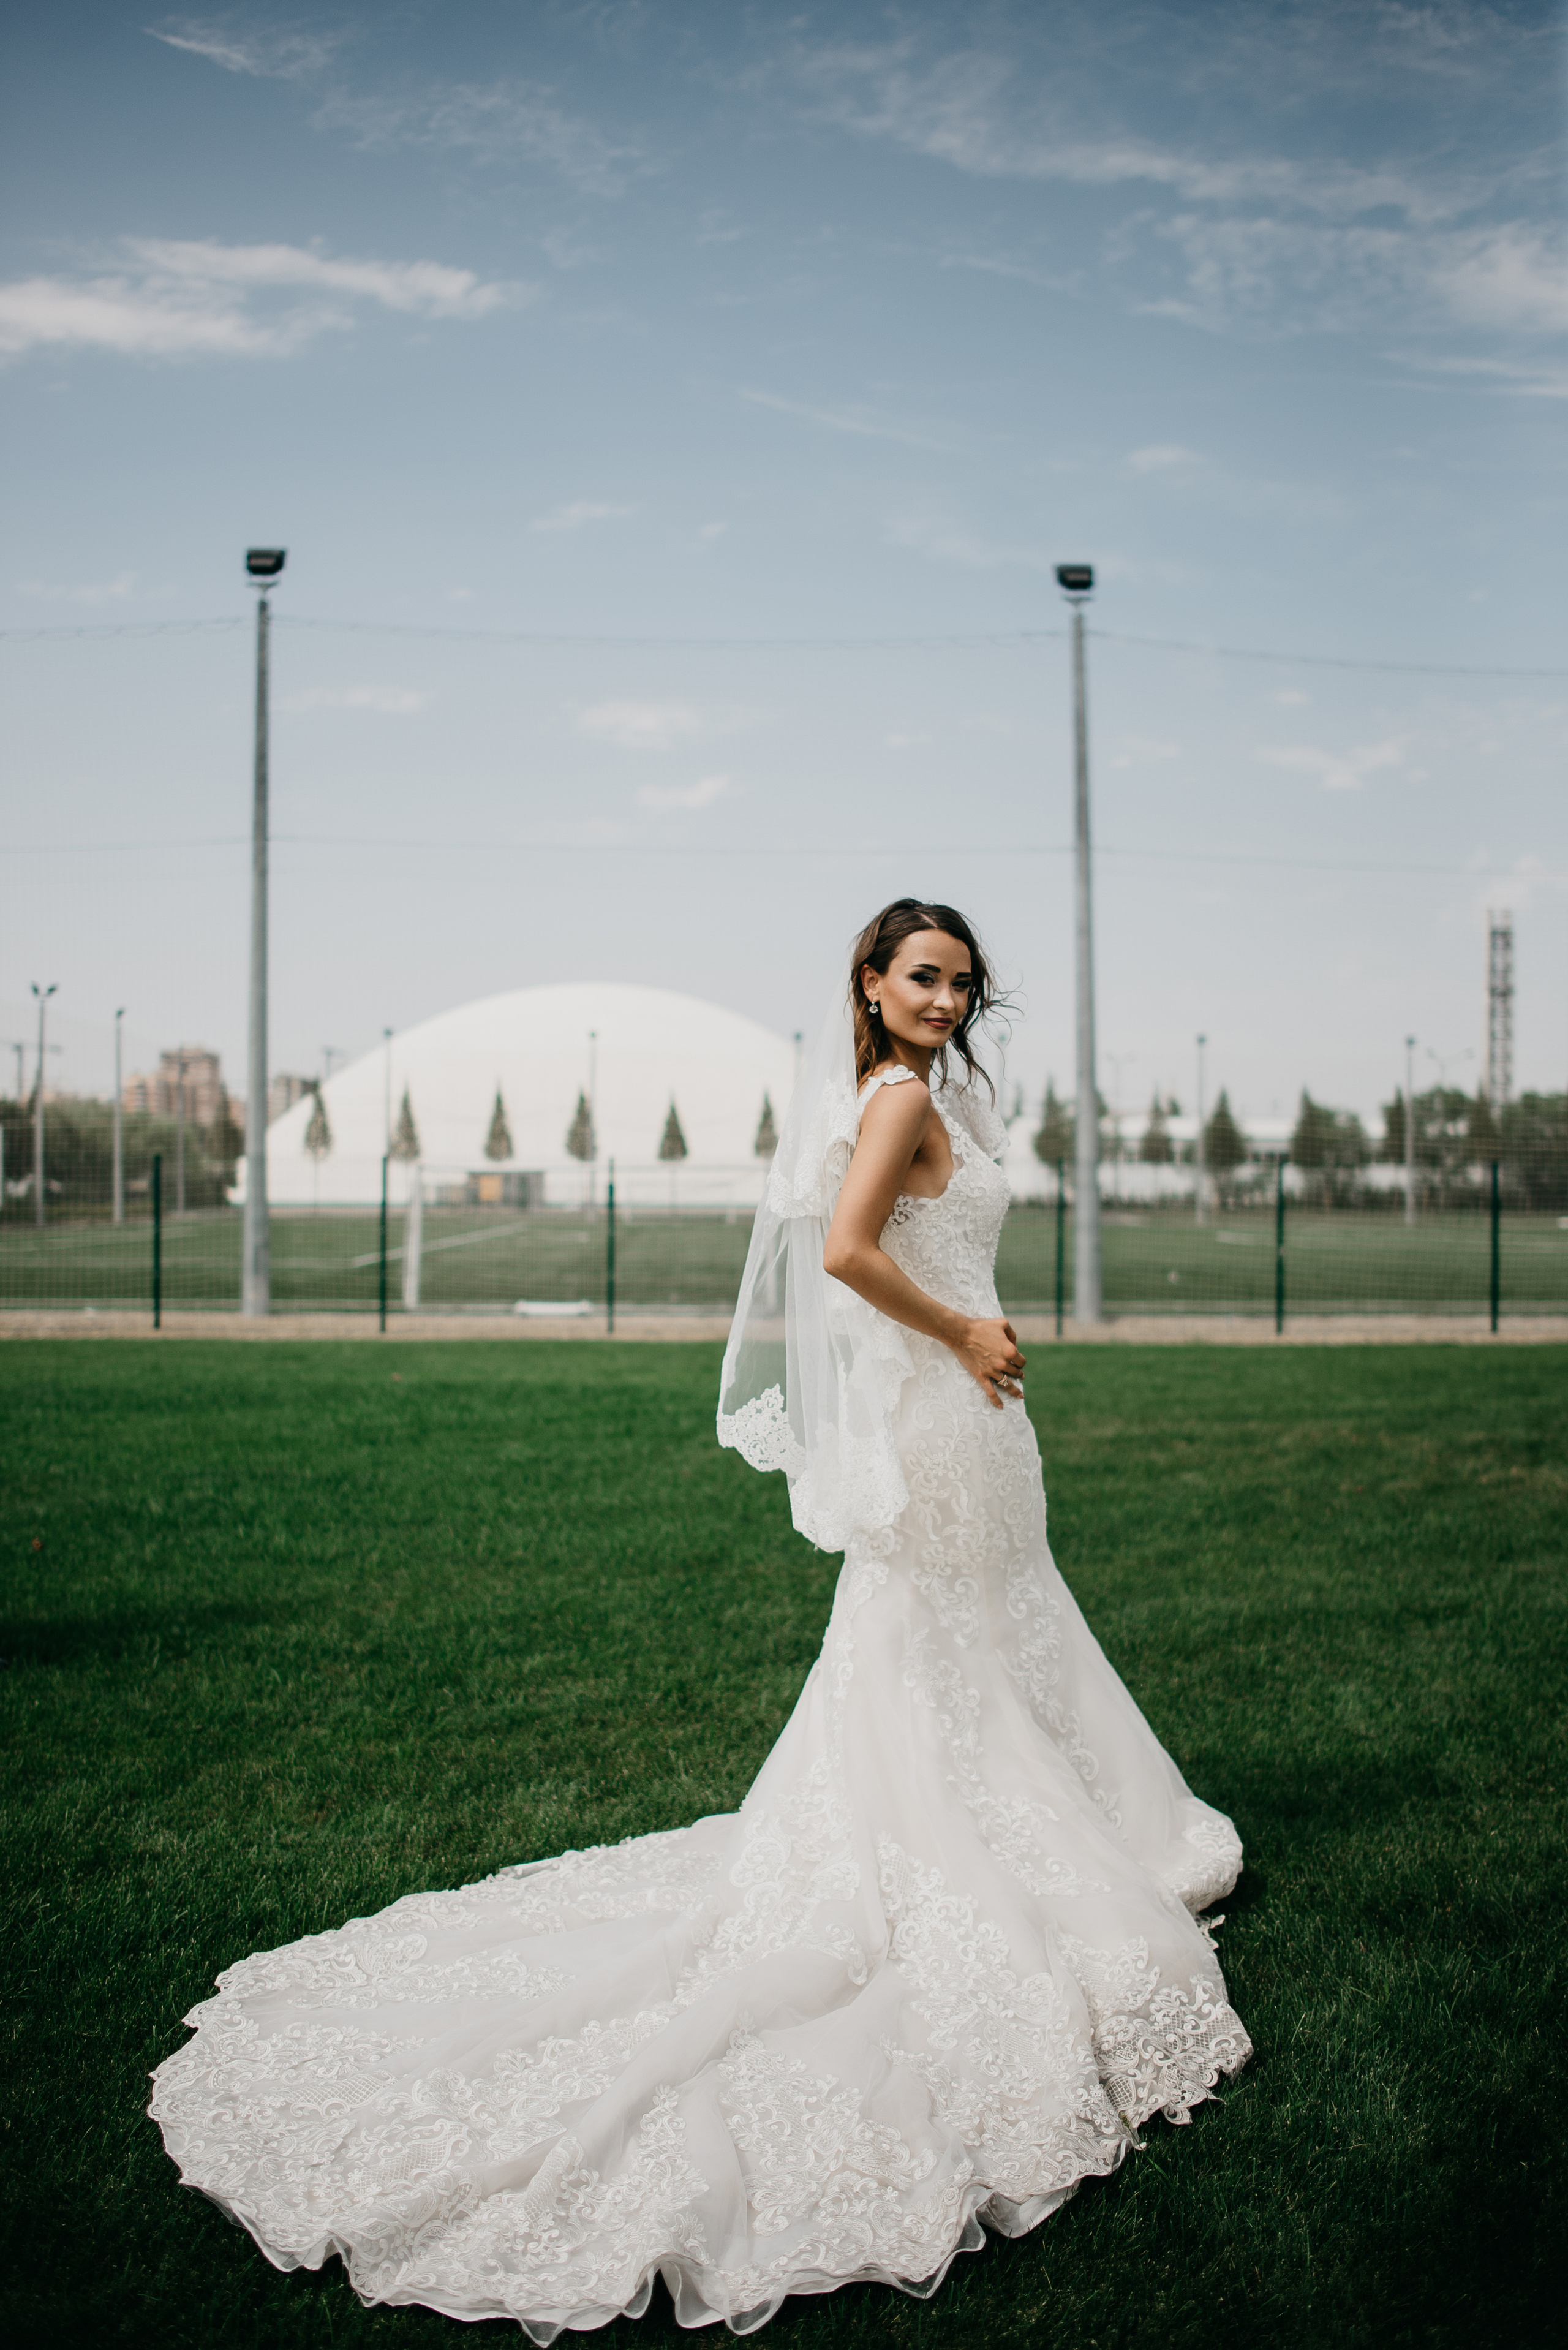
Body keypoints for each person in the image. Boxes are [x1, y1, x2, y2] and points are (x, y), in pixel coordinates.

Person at [149, 897, 1250, 2340]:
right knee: (934, 1638)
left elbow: (881, 1238)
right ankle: (957, 1847)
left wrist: (969, 1339)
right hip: (945, 1401)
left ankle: (984, 1818)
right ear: (870, 979)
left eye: (961, 981)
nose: (942, 998)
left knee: (974, 1633)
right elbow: (852, 1251)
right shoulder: (899, 1094)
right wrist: (967, 1332)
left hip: (967, 1420)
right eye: (921, 975)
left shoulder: (919, 1089)